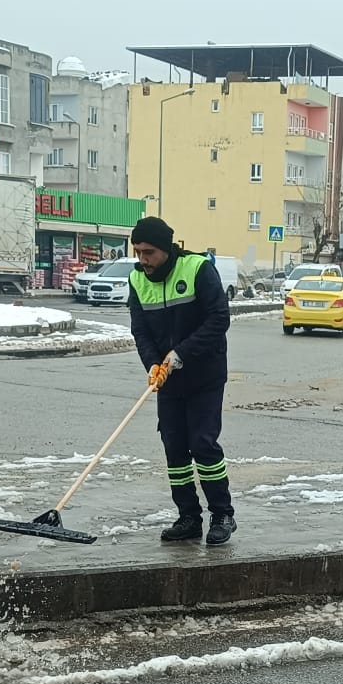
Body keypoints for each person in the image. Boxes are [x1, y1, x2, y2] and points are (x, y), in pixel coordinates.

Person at [127, 215, 235, 545]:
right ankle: (188, 516)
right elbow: (140, 329)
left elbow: (219, 318)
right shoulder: (137, 279)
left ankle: (222, 514)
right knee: (174, 447)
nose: (143, 259)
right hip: (168, 379)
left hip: (204, 374)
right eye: (138, 252)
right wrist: (153, 364)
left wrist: (181, 353)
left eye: (149, 252)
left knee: (202, 443)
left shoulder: (198, 269)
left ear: (166, 249)